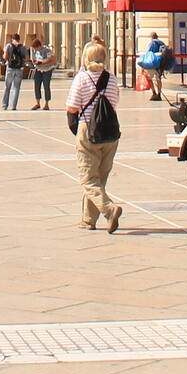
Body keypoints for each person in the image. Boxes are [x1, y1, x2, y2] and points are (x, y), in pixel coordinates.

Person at [66, 40, 123, 232]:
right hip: (110, 133)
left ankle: (109, 209)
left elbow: (72, 107)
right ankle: (88, 220)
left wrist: (77, 131)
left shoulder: (81, 79)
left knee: (88, 179)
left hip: (88, 130)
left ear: (86, 58)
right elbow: (114, 103)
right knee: (100, 178)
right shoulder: (112, 78)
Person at [138, 32, 173, 102]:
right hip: (161, 63)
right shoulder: (162, 43)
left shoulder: (151, 43)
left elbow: (148, 54)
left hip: (152, 63)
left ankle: (154, 93)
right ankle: (159, 94)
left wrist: (143, 66)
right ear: (157, 36)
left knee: (149, 78)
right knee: (158, 79)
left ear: (151, 37)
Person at [0, 32, 28, 112]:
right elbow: (26, 58)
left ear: (12, 39)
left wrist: (7, 58)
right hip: (19, 69)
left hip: (10, 68)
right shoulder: (23, 47)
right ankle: (13, 106)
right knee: (16, 88)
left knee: (7, 87)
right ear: (19, 39)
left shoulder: (8, 46)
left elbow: (5, 57)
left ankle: (4, 105)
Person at [29, 35, 55, 110]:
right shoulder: (33, 50)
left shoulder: (47, 50)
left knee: (46, 86)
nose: (35, 50)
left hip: (47, 70)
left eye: (36, 48)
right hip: (38, 70)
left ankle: (47, 104)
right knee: (37, 86)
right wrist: (34, 62)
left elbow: (50, 59)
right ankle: (38, 103)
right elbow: (33, 58)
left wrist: (42, 62)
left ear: (39, 46)